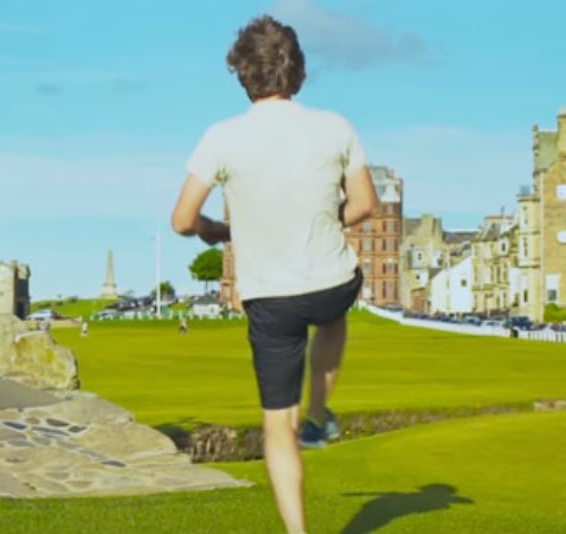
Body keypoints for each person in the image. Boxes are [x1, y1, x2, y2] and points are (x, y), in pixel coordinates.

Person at [169, 15, 378, 534]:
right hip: (330, 283)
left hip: (270, 300)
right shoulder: (336, 127)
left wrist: (215, 229)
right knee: (336, 306)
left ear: (243, 74)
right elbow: (366, 204)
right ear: (298, 71)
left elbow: (181, 220)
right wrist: (324, 217)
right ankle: (322, 410)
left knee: (275, 425)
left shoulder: (222, 138)